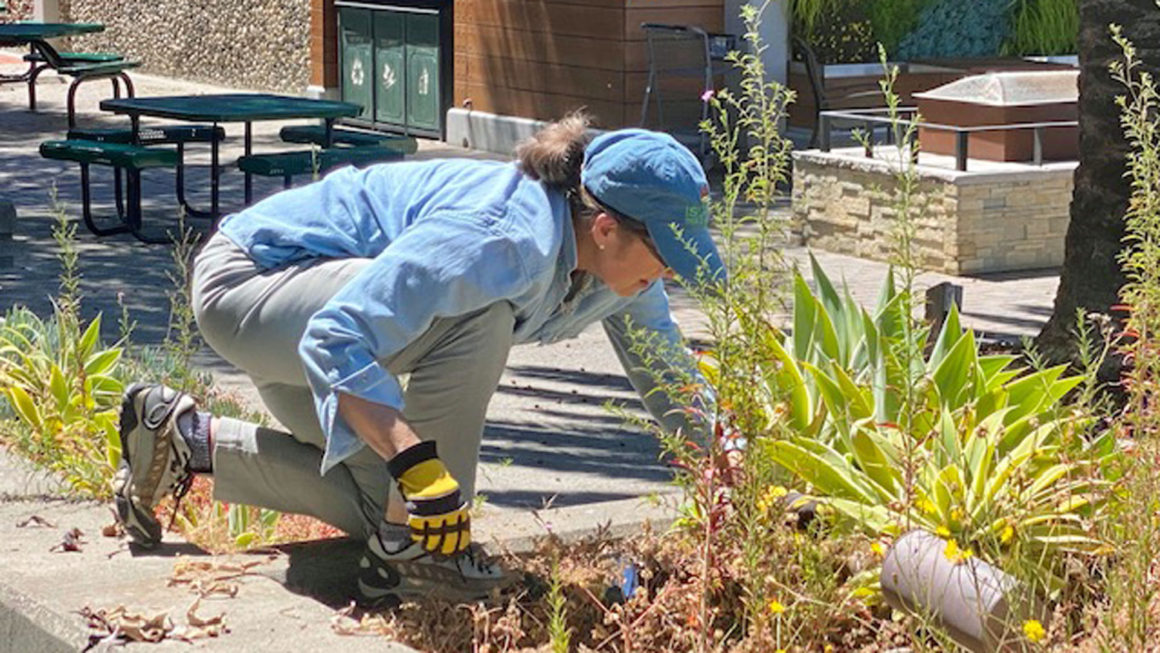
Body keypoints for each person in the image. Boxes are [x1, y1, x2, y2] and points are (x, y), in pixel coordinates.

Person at [111, 113, 724, 607]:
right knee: (479, 323)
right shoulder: (506, 240)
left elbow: (669, 375)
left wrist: (738, 474)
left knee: (387, 511)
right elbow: (337, 335)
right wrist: (416, 464)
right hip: (255, 287)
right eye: (666, 253)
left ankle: (186, 440)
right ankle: (423, 563)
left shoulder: (619, 279)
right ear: (607, 229)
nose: (669, 272)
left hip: (323, 327)